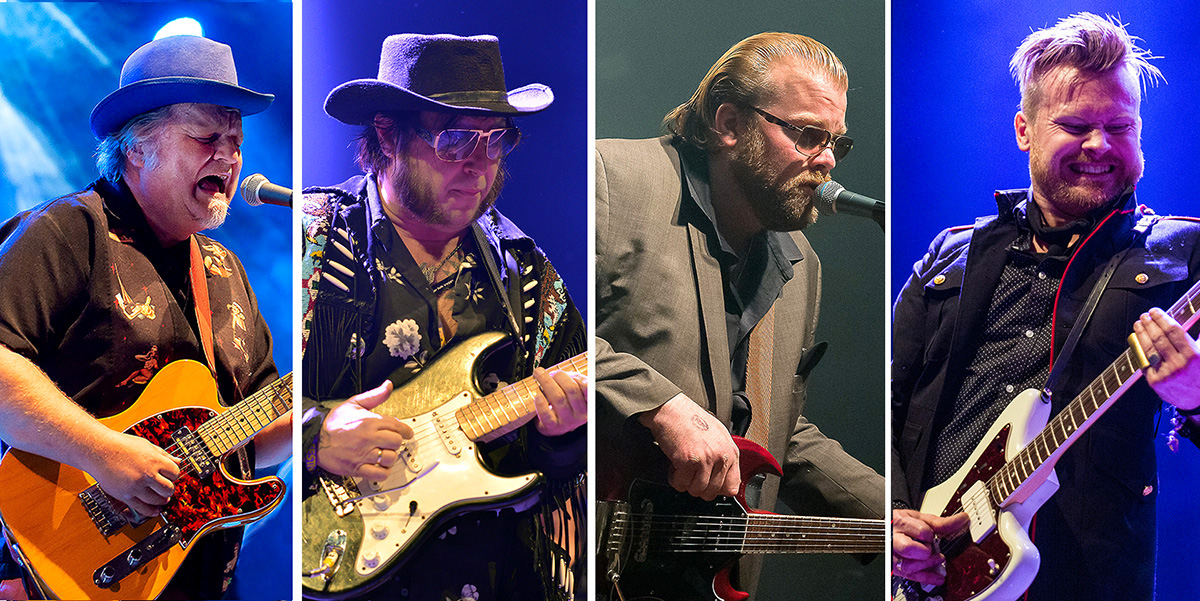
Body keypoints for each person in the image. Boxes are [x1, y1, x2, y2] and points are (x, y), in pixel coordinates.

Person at [891, 13, 1200, 600]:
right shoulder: (951, 253)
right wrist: (893, 513)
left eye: (1121, 127)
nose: (1099, 145)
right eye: (1076, 125)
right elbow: (889, 403)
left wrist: (1197, 396)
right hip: (932, 573)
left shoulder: (1183, 255)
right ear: (1023, 130)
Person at [0, 34, 291, 600]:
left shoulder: (225, 270)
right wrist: (104, 454)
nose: (229, 159)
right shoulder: (67, 233)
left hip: (191, 578)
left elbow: (256, 428)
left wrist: (314, 398)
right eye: (207, 137)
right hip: (56, 567)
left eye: (235, 141)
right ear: (138, 145)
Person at [595, 31, 884, 598]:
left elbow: (776, 427)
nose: (826, 160)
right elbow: (537, 345)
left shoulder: (802, 264)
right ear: (728, 124)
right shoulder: (609, 179)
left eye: (836, 143)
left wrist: (891, 515)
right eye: (807, 135)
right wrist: (658, 405)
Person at [300, 34, 587, 601]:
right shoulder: (309, 244)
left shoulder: (526, 275)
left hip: (481, 576)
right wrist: (314, 436)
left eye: (495, 140)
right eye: (455, 139)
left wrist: (561, 438)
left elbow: (558, 472)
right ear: (388, 134)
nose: (478, 165)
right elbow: (236, 389)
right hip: (330, 560)